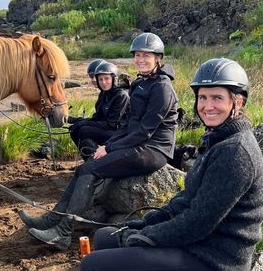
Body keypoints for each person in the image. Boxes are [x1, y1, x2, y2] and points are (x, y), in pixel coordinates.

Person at [80, 58, 263, 271]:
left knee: (93, 264)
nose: (208, 106)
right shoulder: (218, 139)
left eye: (217, 98)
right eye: (203, 97)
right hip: (199, 243)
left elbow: (197, 222)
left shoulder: (235, 152)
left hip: (215, 258)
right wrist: (138, 225)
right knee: (106, 236)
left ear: (238, 102)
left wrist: (145, 237)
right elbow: (185, 202)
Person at [18, 32, 178, 250]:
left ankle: (63, 233)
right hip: (138, 145)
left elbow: (144, 132)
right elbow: (128, 125)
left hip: (153, 150)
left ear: (158, 57)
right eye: (137, 55)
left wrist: (110, 147)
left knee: (90, 171)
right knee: (83, 169)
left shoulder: (162, 87)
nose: (140, 59)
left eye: (146, 56)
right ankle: (51, 220)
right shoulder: (141, 84)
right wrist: (107, 146)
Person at [68, 61, 130, 160]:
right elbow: (96, 118)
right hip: (109, 129)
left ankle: (97, 162)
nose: (103, 82)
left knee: (84, 130)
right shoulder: (104, 94)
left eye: (106, 79)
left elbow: (112, 124)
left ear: (114, 79)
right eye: (100, 79)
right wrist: (73, 120)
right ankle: (91, 161)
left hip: (120, 133)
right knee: (74, 129)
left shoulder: (121, 95)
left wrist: (82, 124)